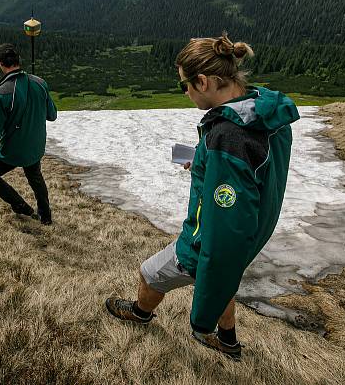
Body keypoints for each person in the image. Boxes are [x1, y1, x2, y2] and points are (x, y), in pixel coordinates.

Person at [104, 34, 299, 360]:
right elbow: (254, 169)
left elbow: (224, 237)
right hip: (259, 226)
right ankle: (228, 340)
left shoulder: (226, 137)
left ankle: (140, 314)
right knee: (225, 279)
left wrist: (201, 318)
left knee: (151, 273)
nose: (185, 93)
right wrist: (207, 165)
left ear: (204, 81)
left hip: (202, 241)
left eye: (185, 85)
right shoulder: (264, 107)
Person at [0, 43, 58, 225]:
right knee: (35, 177)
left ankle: (21, 206)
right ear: (19, 61)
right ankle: (46, 216)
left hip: (13, 150)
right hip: (36, 146)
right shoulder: (40, 83)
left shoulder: (1, 94)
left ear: (0, 63)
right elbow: (52, 115)